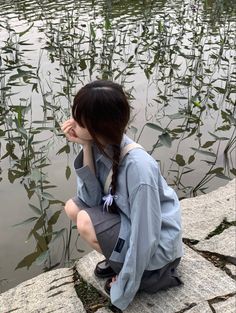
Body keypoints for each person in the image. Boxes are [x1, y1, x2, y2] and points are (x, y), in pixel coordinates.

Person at [61, 80, 184, 310]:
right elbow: (90, 200)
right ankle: (119, 260)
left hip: (158, 251)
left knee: (86, 221)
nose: (72, 125)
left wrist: (124, 288)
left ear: (99, 125)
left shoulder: (139, 167)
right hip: (131, 225)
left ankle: (144, 276)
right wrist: (85, 146)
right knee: (74, 208)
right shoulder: (100, 145)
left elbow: (145, 237)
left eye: (79, 121)